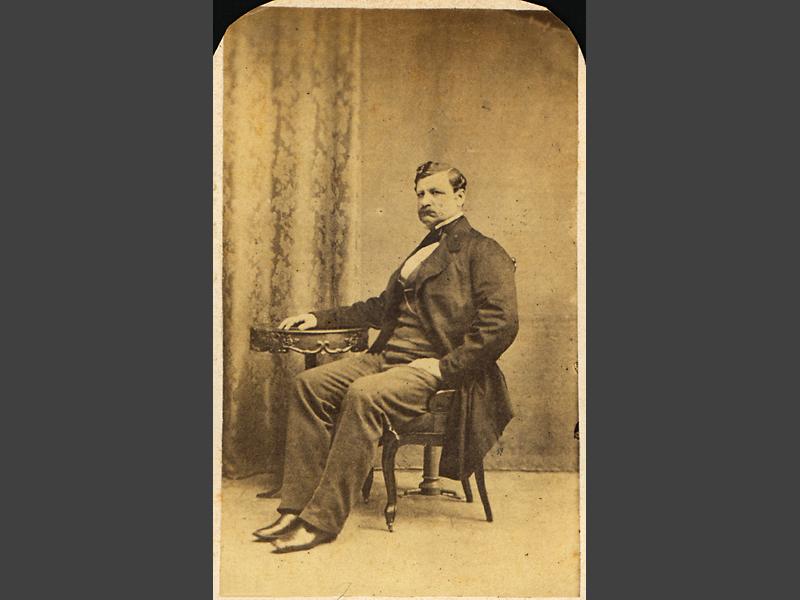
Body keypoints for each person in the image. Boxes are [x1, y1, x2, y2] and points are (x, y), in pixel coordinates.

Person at [254, 161, 519, 553]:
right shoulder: (424, 249)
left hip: (430, 367)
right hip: (388, 357)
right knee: (309, 385)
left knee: (364, 395)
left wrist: (444, 367)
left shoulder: (484, 251)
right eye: (420, 193)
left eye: (436, 192)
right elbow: (381, 308)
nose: (425, 201)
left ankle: (321, 522)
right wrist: (318, 317)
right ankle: (296, 507)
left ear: (460, 196)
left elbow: (502, 325)